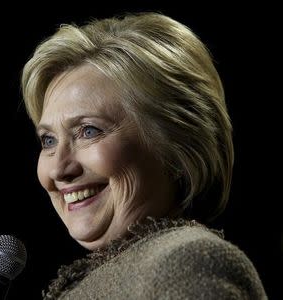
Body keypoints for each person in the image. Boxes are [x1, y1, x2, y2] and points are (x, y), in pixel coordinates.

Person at [21, 12, 267, 299]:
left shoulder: (190, 264)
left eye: (88, 131)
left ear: (178, 147)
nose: (59, 169)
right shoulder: (123, 271)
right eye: (48, 140)